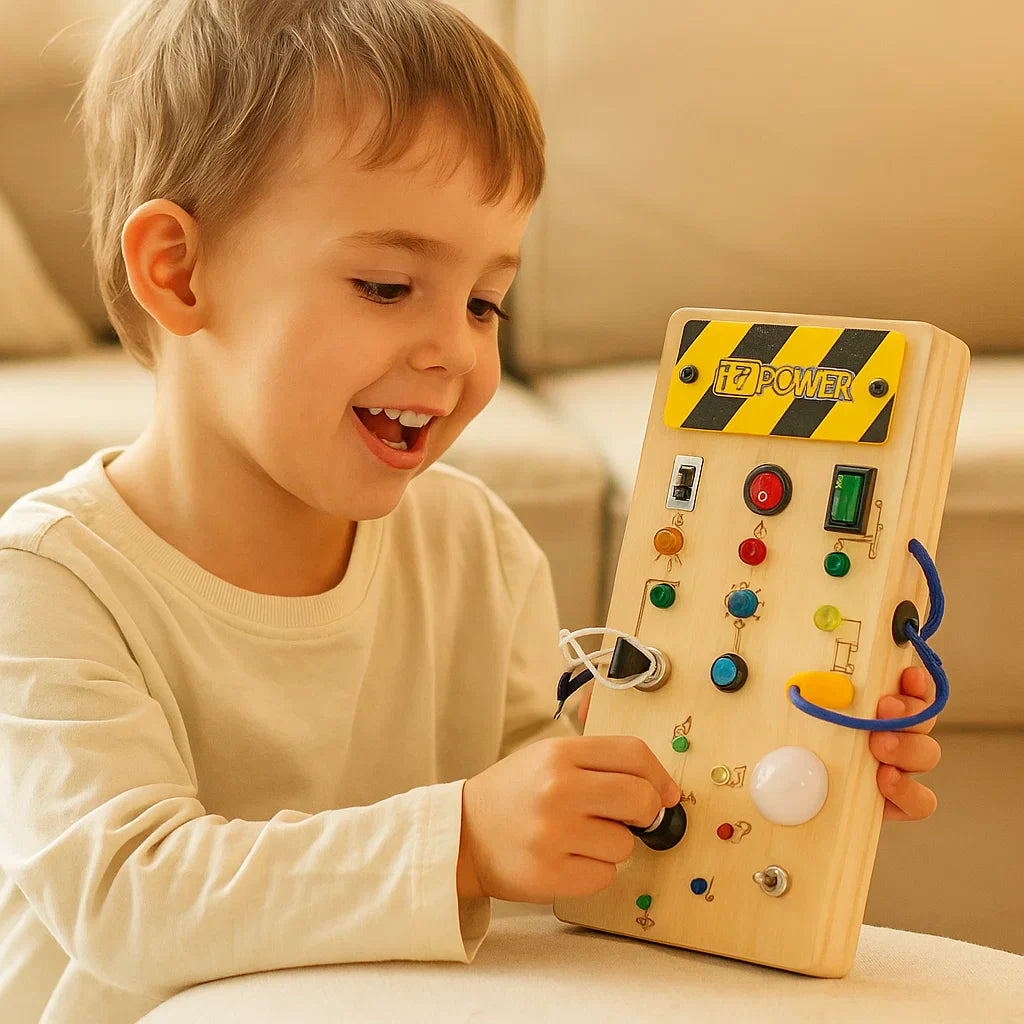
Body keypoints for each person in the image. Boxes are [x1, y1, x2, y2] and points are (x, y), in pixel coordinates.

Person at [0, 1, 942, 1020]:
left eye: (485, 301)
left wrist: (714, 772)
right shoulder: (45, 581)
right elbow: (129, 898)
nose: (454, 348)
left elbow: (543, 837)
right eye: (388, 284)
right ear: (179, 273)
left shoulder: (474, 545)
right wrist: (464, 838)